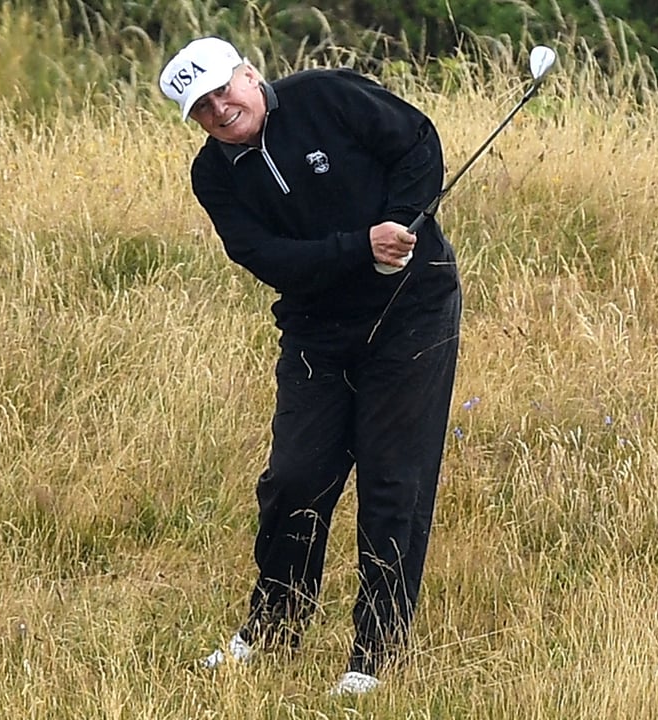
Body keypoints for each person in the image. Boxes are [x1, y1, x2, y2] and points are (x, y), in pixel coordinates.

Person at [158, 37, 462, 696]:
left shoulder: (326, 96)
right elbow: (267, 258)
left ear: (248, 73)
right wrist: (362, 246)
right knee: (295, 479)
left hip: (413, 311)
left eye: (222, 90)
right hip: (319, 330)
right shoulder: (214, 174)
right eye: (200, 106)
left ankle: (373, 657)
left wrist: (400, 224)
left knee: (392, 485)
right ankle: (272, 632)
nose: (218, 109)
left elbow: (417, 142)